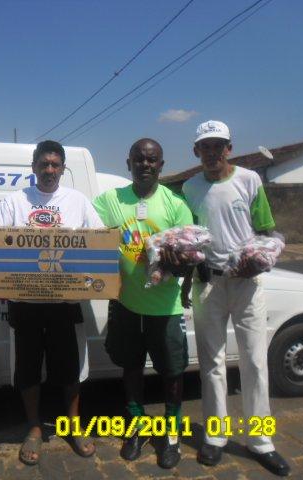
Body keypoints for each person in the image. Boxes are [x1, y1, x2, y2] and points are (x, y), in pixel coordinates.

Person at [0, 140, 104, 466]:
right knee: (27, 368)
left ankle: (73, 426)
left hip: (65, 302)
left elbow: (100, 241)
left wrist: (102, 278)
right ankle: (33, 428)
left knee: (70, 367)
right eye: (44, 164)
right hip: (24, 301)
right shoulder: (15, 201)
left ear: (63, 168)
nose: (49, 170)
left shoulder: (77, 201)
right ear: (33, 167)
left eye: (55, 164)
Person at [181, 120, 290, 476]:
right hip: (208, 283)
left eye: (218, 146)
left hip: (247, 284)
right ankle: (215, 437)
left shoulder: (249, 180)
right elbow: (189, 238)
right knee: (211, 363)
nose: (212, 152)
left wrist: (259, 260)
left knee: (255, 362)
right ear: (196, 151)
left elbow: (266, 231)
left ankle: (261, 441)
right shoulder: (190, 188)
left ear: (229, 148)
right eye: (205, 147)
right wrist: (186, 279)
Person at [92, 138, 192, 468]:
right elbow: (88, 233)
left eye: (152, 160)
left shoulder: (175, 204)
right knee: (131, 367)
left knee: (172, 372)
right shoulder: (110, 200)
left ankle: (172, 432)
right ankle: (136, 424)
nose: (145, 164)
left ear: (161, 165)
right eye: (139, 159)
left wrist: (172, 263)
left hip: (166, 307)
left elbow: (190, 257)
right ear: (129, 163)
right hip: (126, 304)